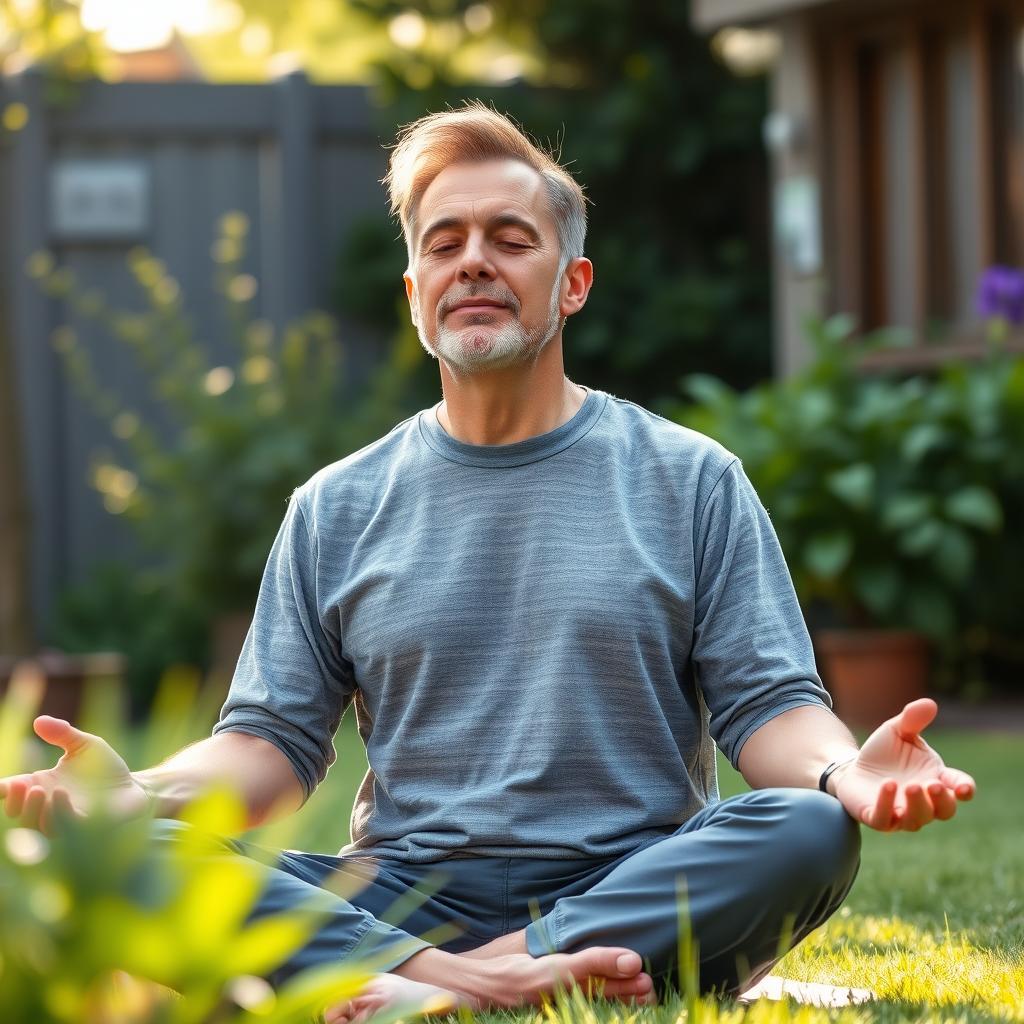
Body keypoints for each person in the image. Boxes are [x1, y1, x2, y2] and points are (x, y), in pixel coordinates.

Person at [0, 103, 976, 1022]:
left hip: (624, 887)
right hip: (399, 897)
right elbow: (271, 745)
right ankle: (473, 977)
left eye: (510, 239)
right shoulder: (335, 505)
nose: (473, 262)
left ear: (572, 283)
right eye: (444, 243)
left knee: (804, 830)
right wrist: (139, 794)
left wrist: (844, 770)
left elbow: (768, 706)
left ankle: (426, 982)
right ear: (415, 292)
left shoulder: (690, 479)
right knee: (120, 849)